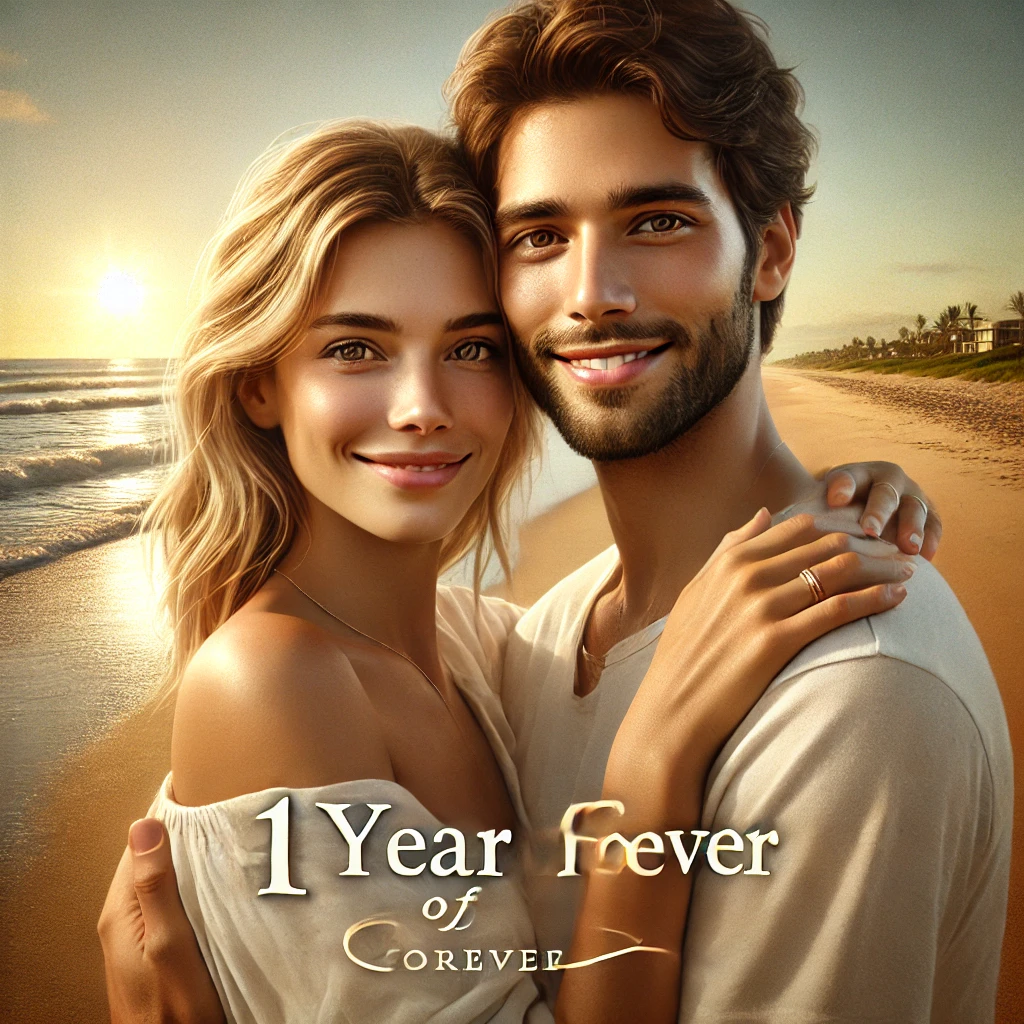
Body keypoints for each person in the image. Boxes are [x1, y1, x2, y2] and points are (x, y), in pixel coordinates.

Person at [443, 0, 1012, 1021]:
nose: (592, 293)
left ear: (773, 251)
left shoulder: (856, 690)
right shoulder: (542, 636)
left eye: (657, 221)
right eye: (537, 234)